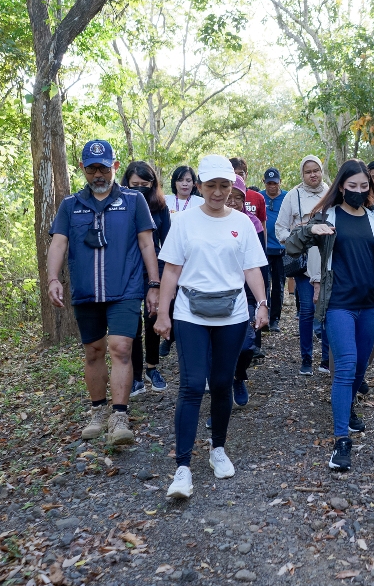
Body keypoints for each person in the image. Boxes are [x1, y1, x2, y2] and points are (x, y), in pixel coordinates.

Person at [155, 154, 268, 499]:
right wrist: (163, 313)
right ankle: (183, 468)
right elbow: (171, 270)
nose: (218, 192)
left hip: (232, 312)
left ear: (232, 187)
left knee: (221, 383)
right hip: (191, 312)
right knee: (191, 385)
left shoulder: (242, 223)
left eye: (225, 186)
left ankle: (218, 448)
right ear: (200, 186)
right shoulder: (185, 221)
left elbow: (251, 268)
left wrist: (262, 304)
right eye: (211, 186)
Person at [285, 159, 374, 471]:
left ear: (370, 188)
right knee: (346, 365)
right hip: (339, 302)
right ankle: (342, 440)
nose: (357, 191)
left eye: (363, 187)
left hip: (370, 302)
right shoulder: (327, 215)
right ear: (340, 186)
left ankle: (349, 405)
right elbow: (292, 245)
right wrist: (310, 230)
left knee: (358, 369)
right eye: (351, 186)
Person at [46, 140, 160, 446]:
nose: (99, 174)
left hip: (125, 288)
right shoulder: (70, 205)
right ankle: (98, 411)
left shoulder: (134, 200)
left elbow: (147, 243)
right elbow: (58, 242)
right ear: (83, 169)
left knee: (121, 348)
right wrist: (53, 279)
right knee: (93, 351)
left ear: (115, 167)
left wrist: (154, 284)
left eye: (104, 167)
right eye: (92, 168)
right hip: (86, 291)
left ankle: (120, 415)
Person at [275, 155, 331, 375]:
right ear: (302, 174)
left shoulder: (332, 193)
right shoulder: (293, 195)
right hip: (304, 264)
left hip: (328, 262)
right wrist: (297, 237)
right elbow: (280, 228)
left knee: (327, 310)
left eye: (316, 170)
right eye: (308, 172)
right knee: (307, 310)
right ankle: (306, 358)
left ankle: (327, 359)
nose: (313, 175)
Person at [121, 161, 171, 395]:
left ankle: (152, 368)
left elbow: (168, 240)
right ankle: (136, 376)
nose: (139, 188)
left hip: (156, 267)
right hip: (127, 268)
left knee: (152, 317)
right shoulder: (119, 205)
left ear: (153, 184)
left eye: (145, 184)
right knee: (132, 322)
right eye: (134, 185)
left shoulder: (160, 206)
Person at [159, 165, 201, 357]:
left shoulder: (200, 202)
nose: (184, 183)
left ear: (194, 184)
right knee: (169, 296)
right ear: (174, 182)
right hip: (168, 257)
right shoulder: (164, 201)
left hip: (192, 259)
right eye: (180, 179)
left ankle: (183, 336)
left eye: (188, 180)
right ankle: (168, 338)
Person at [230, 157, 268, 358]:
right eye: (230, 196)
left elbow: (259, 263)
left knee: (245, 346)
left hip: (248, 290)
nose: (234, 203)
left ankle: (239, 375)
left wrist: (261, 299)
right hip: (220, 292)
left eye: (239, 198)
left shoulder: (252, 223)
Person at [260, 168, 287, 333]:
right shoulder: (259, 197)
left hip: (281, 249)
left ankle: (275, 319)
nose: (272, 186)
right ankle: (264, 316)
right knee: (263, 284)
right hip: (263, 248)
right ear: (265, 183)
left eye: (275, 183)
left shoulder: (287, 197)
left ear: (279, 182)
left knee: (278, 285)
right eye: (269, 183)